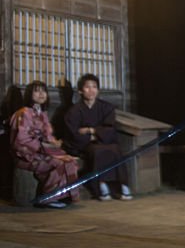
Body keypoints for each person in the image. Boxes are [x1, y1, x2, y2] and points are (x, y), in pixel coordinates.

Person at [9, 80, 79, 208]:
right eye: (36, 91)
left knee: (70, 161)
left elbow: (48, 137)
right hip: (26, 155)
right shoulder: (24, 113)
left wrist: (55, 144)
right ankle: (47, 197)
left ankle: (64, 195)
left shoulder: (43, 114)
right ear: (30, 94)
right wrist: (47, 149)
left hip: (42, 151)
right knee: (57, 163)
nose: (41, 94)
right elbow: (21, 141)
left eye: (43, 90)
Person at [63, 74, 131, 201]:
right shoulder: (74, 111)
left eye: (94, 87)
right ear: (80, 91)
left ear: (98, 90)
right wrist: (96, 136)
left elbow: (110, 129)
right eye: (87, 87)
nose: (91, 90)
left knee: (114, 148)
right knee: (98, 150)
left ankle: (122, 185)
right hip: (85, 145)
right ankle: (101, 186)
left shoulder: (106, 107)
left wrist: (91, 130)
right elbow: (74, 133)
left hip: (103, 141)